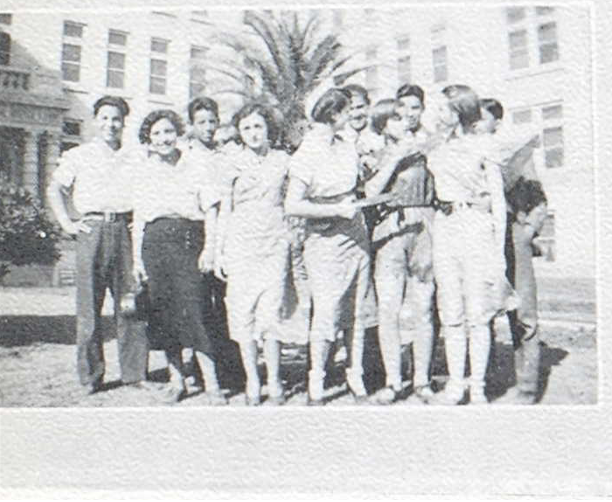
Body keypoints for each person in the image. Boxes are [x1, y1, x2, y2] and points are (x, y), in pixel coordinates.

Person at [47, 95, 150, 395]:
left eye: (116, 118)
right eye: (104, 118)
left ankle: (134, 374)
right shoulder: (79, 155)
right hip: (91, 231)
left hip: (124, 230)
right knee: (89, 307)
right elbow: (55, 189)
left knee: (130, 305)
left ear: (123, 122)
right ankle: (91, 376)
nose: (110, 124)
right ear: (95, 121)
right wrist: (68, 223)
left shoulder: (135, 156)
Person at [131, 109, 226, 405]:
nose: (163, 139)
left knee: (196, 311)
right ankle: (177, 381)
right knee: (164, 314)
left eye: (168, 132)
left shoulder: (195, 164)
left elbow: (211, 209)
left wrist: (210, 249)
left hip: (189, 241)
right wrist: (137, 260)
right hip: (155, 244)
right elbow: (139, 219)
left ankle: (211, 384)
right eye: (157, 133)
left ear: (178, 134)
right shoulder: (144, 171)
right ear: (148, 139)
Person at [285, 88, 372, 405]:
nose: (353, 116)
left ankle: (355, 376)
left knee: (355, 312)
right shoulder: (307, 154)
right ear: (334, 114)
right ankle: (317, 381)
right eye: (348, 110)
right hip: (324, 240)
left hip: (356, 235)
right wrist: (335, 210)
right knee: (326, 313)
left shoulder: (348, 146)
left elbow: (358, 186)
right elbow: (292, 205)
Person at [426, 85, 511, 405]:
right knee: (451, 312)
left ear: (460, 112)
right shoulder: (436, 148)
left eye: (444, 109)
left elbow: (498, 201)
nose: (438, 114)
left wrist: (499, 252)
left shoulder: (485, 146)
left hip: (476, 226)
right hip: (446, 226)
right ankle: (456, 383)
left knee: (477, 313)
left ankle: (477, 386)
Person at [215, 103, 295, 406]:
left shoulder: (283, 161)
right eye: (246, 128)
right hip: (241, 243)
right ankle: (253, 379)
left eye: (258, 126)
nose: (253, 133)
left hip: (274, 242)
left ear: (268, 128)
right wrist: (220, 250)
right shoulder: (231, 162)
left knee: (271, 313)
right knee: (242, 313)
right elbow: (225, 209)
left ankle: (274, 379)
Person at [364, 86, 437, 405]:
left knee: (423, 308)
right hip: (388, 231)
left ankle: (422, 380)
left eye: (408, 112)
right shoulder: (372, 153)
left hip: (422, 228)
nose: (405, 118)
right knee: (388, 309)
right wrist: (394, 157)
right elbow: (369, 192)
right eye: (395, 116)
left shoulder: (427, 149)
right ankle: (394, 380)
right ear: (382, 124)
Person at [477, 98, 547, 405]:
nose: (477, 124)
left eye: (483, 119)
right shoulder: (471, 151)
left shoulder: (516, 153)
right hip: (482, 236)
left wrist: (528, 231)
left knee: (524, 312)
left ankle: (528, 387)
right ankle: (488, 381)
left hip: (514, 236)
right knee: (484, 309)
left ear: (497, 122)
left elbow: (539, 199)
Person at [184, 96, 244, 392]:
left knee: (224, 301)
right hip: (195, 233)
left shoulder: (226, 156)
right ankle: (197, 366)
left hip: (225, 233)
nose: (208, 128)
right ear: (191, 125)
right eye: (201, 122)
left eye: (212, 121)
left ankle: (230, 367)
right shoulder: (185, 155)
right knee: (198, 303)